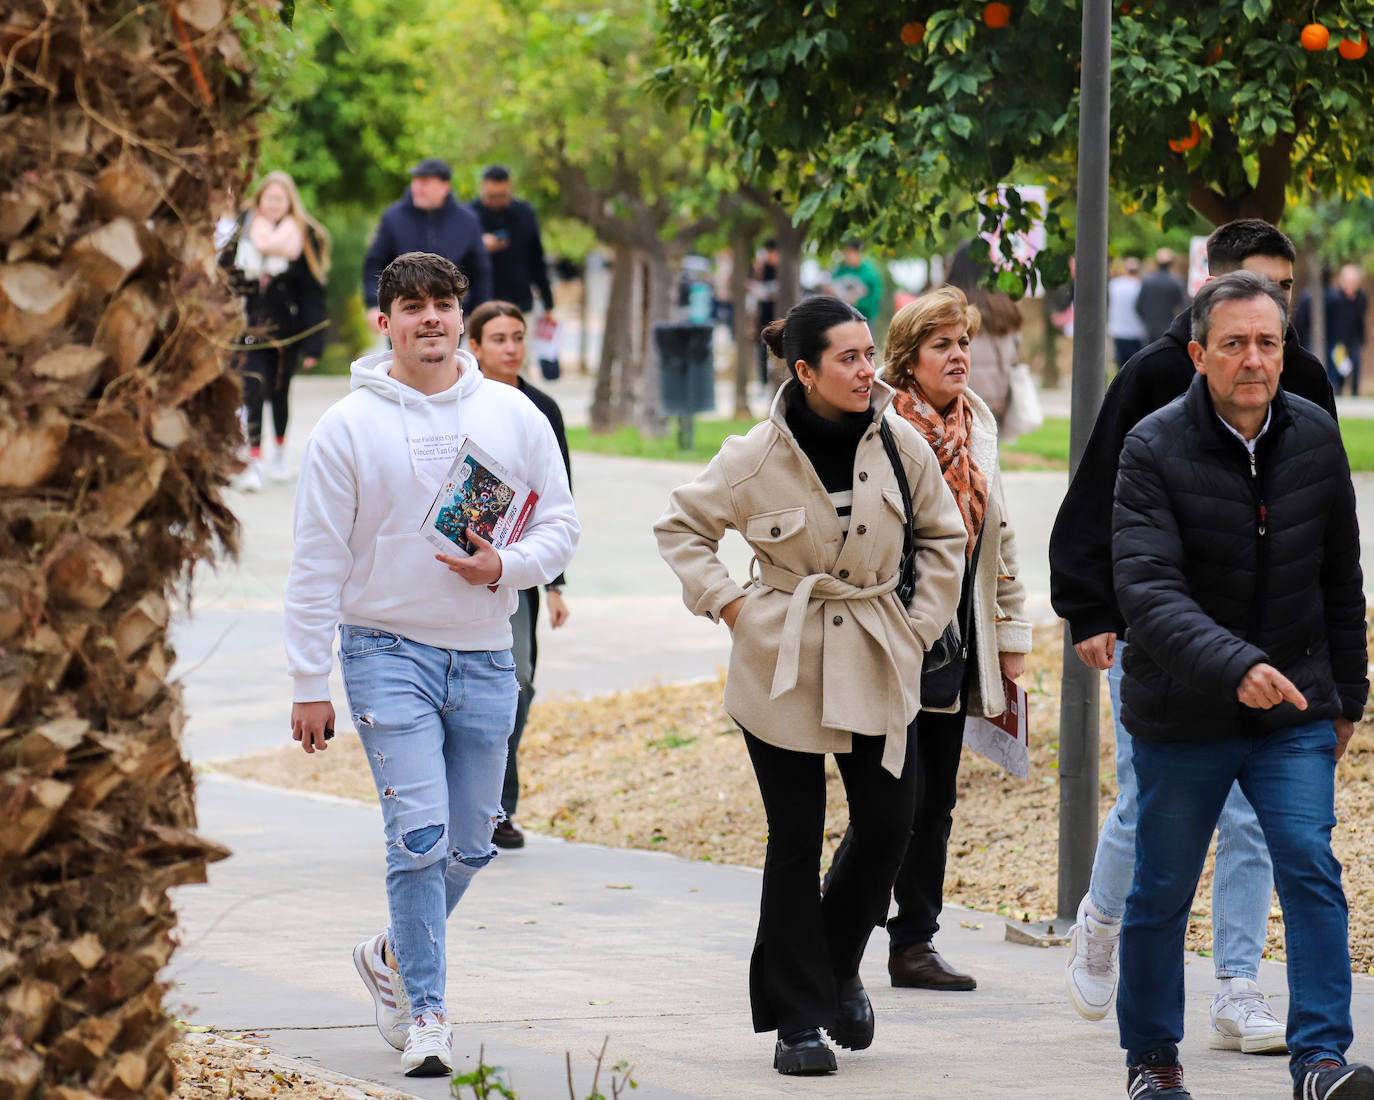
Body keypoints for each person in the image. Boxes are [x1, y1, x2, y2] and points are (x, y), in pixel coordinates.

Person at [655, 295, 966, 1077]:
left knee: (891, 823)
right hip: (779, 666)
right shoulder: (752, 456)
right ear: (805, 370)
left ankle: (836, 969)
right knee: (794, 837)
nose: (868, 371)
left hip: (877, 654)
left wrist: (916, 628)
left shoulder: (901, 445)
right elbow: (681, 529)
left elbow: (943, 538)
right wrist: (729, 604)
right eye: (850, 358)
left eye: (870, 354)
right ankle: (799, 1022)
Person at [284, 253, 579, 1077]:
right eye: (411, 306)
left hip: (485, 653)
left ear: (460, 315)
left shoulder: (514, 413)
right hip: (383, 650)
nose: (431, 319)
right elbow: (314, 563)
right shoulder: (345, 426)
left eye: (443, 305)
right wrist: (310, 683)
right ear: (385, 322)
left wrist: (505, 570)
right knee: (417, 837)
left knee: (473, 843)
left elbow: (560, 526)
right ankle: (427, 1014)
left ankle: (388, 951)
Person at [1049, 218, 1338, 1055]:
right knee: (1148, 806)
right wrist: (1091, 608)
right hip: (1165, 639)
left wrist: (1337, 679)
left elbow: (1326, 532)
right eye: (1255, 286)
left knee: (1253, 821)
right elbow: (1099, 496)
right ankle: (1103, 920)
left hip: (1273, 646)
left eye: (1283, 292)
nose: (1269, 311)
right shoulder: (1150, 379)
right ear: (1207, 289)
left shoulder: (1304, 381)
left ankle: (1238, 984)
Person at [1111, 271, 1369, 1099]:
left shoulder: (1317, 437)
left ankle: (1321, 1060)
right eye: (1234, 344)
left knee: (1309, 862)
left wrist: (1348, 697)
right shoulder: (1152, 446)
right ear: (1198, 354)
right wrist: (1235, 666)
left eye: (1268, 342)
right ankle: (1152, 1060)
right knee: (1162, 885)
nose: (1254, 359)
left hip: (1293, 703)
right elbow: (1147, 591)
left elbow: (1341, 577)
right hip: (1184, 710)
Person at [826, 287, 1032, 992]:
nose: (959, 357)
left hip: (958, 637)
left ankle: (914, 942)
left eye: (965, 343)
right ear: (909, 359)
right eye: (942, 345)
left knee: (936, 798)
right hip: (892, 634)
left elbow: (997, 535)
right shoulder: (879, 424)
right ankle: (838, 939)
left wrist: (1011, 634)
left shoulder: (977, 424)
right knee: (888, 803)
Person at [467, 300, 572, 849]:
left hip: (519, 570)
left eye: (517, 337)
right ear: (475, 347)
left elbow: (560, 499)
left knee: (518, 685)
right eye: (499, 338)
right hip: (452, 568)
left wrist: (554, 584)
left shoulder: (543, 409)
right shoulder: (457, 403)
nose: (510, 347)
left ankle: (498, 808)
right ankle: (459, 800)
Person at [221, 171, 329, 488]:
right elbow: (223, 274)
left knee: (280, 394)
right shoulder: (244, 233)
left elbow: (313, 293)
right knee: (252, 388)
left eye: (280, 199)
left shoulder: (303, 236)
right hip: (250, 328)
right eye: (268, 198)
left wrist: (314, 344)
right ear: (260, 200)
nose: (273, 204)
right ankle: (253, 461)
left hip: (287, 332)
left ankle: (279, 454)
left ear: (289, 203)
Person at [362, 158, 492, 332]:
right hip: (404, 315)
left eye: (424, 182)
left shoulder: (467, 220)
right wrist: (372, 304)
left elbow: (481, 270)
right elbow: (374, 263)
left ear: (445, 187)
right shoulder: (393, 217)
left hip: (449, 315)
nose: (417, 188)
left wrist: (480, 313)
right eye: (415, 181)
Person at [944, 240, 1023, 429]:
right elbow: (1015, 356)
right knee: (989, 455)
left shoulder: (947, 308)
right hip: (995, 404)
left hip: (957, 402)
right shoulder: (1004, 307)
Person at [468, 165, 555, 316]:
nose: (496, 201)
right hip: (479, 305)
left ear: (510, 188)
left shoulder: (525, 213)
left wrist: (548, 303)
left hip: (519, 302)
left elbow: (537, 260)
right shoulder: (468, 215)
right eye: (491, 196)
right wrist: (479, 247)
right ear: (481, 188)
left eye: (501, 196)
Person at [1325, 264, 1368, 396]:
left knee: (1356, 367)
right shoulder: (1334, 298)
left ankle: (1355, 395)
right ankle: (1338, 394)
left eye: (1353, 282)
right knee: (1339, 371)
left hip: (1354, 340)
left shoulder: (1361, 299)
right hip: (1338, 341)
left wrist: (1362, 339)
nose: (1351, 284)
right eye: (1348, 281)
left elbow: (1361, 320)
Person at [1135, 248, 1188, 343]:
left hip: (1149, 329)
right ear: (1171, 263)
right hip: (1169, 329)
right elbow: (1183, 307)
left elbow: (1138, 305)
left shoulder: (1147, 281)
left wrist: (1146, 321)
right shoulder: (1177, 282)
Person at [828, 240, 884, 323]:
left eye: (851, 253)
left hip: (864, 320)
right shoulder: (841, 271)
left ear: (858, 253)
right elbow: (831, 287)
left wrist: (856, 302)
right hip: (843, 319)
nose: (848, 256)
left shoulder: (871, 274)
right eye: (846, 253)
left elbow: (875, 299)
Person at [1107, 256, 1147, 368]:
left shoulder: (1114, 284)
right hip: (1137, 330)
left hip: (1117, 329)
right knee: (1135, 364)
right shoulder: (1141, 285)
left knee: (1120, 364)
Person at [752, 239, 780, 385]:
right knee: (763, 347)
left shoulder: (782, 269)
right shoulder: (762, 269)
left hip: (778, 314)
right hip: (764, 314)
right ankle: (763, 380)